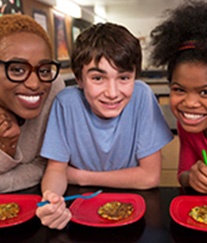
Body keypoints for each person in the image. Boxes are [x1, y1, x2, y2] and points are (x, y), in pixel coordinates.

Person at [36, 22, 173, 229]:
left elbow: (149, 177)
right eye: (98, 78)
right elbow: (56, 171)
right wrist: (51, 199)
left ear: (135, 76)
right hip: (79, 207)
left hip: (133, 208)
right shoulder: (65, 103)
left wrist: (80, 176)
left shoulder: (142, 95)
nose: (112, 92)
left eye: (124, 77)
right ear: (79, 78)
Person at [149, 0, 207, 194]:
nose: (190, 104)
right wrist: (193, 177)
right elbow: (183, 174)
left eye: (206, 92)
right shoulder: (189, 125)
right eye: (179, 90)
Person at [0, 14, 65, 192]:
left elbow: (46, 166)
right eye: (18, 70)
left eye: (44, 70)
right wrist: (6, 147)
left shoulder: (53, 86)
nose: (34, 84)